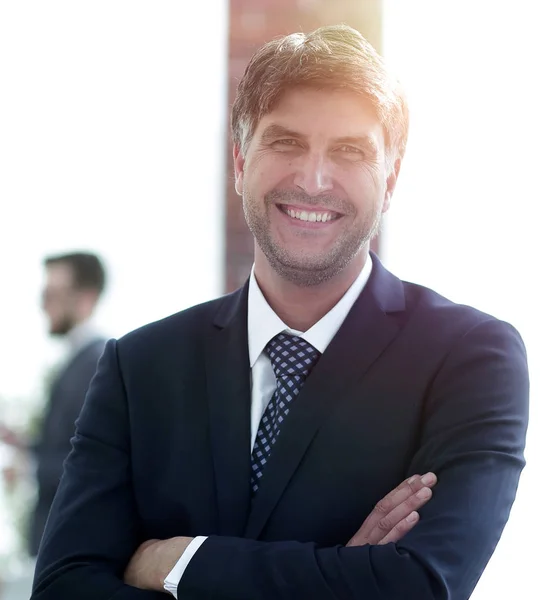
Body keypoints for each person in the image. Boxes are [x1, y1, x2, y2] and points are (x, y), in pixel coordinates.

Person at [30, 25, 529, 600]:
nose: (313, 180)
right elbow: (64, 586)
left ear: (390, 179)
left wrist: (180, 563)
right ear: (241, 161)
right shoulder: (138, 366)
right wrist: (343, 576)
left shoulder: (469, 357)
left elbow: (418, 584)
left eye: (349, 151)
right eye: (285, 143)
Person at [0, 251, 107, 556]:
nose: (42, 303)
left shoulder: (96, 364)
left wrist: (28, 466)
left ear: (86, 298)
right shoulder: (79, 361)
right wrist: (24, 446)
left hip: (70, 550)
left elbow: (90, 464)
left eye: (52, 293)